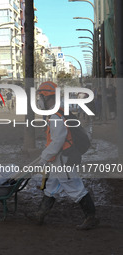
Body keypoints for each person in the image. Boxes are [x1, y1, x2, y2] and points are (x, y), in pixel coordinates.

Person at [27, 81, 99, 230]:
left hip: (64, 159)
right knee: (51, 187)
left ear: (48, 98)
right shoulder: (58, 112)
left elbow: (57, 141)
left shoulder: (55, 116)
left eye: (40, 97)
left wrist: (44, 158)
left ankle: (91, 217)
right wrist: (46, 157)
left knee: (75, 188)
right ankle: (40, 214)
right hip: (61, 158)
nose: (39, 101)